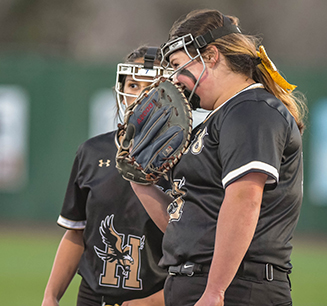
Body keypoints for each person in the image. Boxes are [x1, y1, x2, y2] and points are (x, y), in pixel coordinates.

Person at [128, 9, 307, 306]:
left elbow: (244, 200)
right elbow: (183, 225)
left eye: (177, 64)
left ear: (210, 56)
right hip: (205, 283)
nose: (176, 79)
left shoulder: (251, 110)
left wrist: (215, 290)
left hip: (238, 288)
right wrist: (139, 180)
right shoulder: (219, 118)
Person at [42, 46, 170, 306]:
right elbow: (76, 232)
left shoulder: (186, 159)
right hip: (93, 297)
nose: (141, 94)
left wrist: (152, 302)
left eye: (152, 86)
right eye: (133, 85)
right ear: (120, 90)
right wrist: (51, 296)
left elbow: (197, 258)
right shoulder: (92, 152)